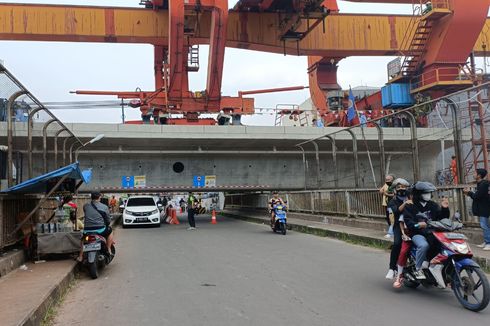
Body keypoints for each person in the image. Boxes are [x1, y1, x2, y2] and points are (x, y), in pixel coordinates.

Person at [402, 182, 450, 279]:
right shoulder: (410, 206)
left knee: (446, 246)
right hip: (417, 233)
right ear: (418, 194)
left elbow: (441, 218)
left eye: (429, 193)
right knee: (424, 245)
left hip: (433, 232)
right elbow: (408, 222)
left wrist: (445, 208)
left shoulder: (433, 205)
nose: (428, 195)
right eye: (425, 193)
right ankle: (418, 269)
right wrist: (418, 225)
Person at [385, 178, 411, 280]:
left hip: (411, 224)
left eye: (403, 187)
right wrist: (405, 203)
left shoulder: (411, 197)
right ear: (395, 189)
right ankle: (391, 268)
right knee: (397, 244)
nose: (401, 189)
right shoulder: (392, 201)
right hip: (398, 225)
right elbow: (396, 211)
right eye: (399, 187)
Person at [77, 192, 115, 262]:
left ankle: (80, 256)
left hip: (87, 230)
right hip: (100, 230)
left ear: (91, 197)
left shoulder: (85, 206)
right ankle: (109, 249)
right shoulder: (104, 207)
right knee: (110, 230)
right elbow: (108, 221)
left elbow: (87, 213)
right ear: (100, 197)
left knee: (83, 239)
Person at [464, 168, 490, 251]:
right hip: (483, 207)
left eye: (475, 173)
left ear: (479, 175)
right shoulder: (480, 183)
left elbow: (477, 196)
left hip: (485, 207)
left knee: (484, 225)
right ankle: (486, 241)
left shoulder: (483, 184)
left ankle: (488, 243)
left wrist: (468, 192)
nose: (473, 174)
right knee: (485, 225)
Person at [393, 188, 414, 288]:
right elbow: (401, 222)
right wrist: (403, 234)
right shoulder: (407, 206)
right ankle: (399, 275)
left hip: (423, 233)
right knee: (403, 251)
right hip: (409, 234)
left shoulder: (425, 205)